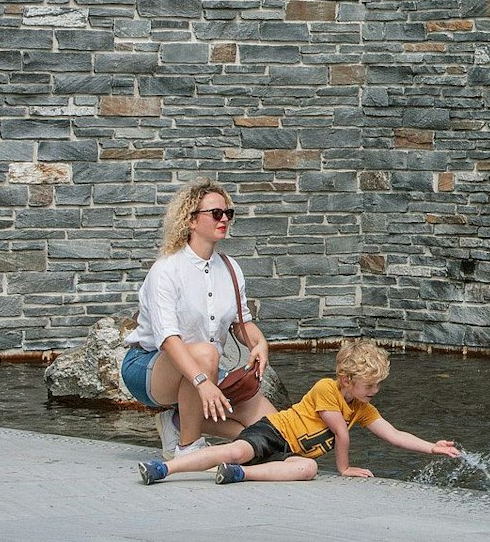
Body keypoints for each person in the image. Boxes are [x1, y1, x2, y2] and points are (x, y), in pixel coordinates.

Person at [136, 338, 460, 484]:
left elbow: (393, 434)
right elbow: (340, 433)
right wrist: (344, 469)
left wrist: (431, 446)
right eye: (369, 386)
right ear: (347, 380)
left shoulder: (360, 407)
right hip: (274, 431)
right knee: (233, 450)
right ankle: (167, 469)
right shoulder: (326, 389)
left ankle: (240, 476)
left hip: (288, 452)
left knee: (307, 470)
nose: (375, 392)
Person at [120, 179, 276, 458]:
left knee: (276, 429)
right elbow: (168, 340)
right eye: (216, 213)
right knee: (204, 354)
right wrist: (203, 383)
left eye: (229, 213)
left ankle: (179, 421)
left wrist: (260, 343)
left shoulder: (230, 268)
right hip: (148, 367)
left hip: (206, 368)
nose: (225, 219)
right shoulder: (167, 270)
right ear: (191, 221)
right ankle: (187, 447)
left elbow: (241, 323)